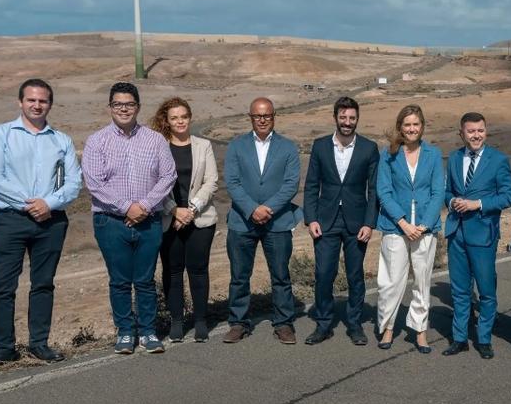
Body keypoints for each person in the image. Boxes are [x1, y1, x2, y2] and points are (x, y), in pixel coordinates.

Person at [0, 79, 82, 370]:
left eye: (43, 101)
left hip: (51, 221)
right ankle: (3, 349)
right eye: (31, 100)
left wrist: (48, 204)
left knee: (43, 284)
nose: (37, 105)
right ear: (20, 102)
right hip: (10, 221)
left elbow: (74, 182)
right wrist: (31, 202)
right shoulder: (0, 134)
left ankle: (39, 343)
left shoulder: (61, 140)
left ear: (50, 104)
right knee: (1, 286)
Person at [82, 82, 176, 355]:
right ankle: (125, 332)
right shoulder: (97, 141)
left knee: (145, 280)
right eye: (118, 104)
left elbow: (167, 176)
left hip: (149, 220)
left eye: (129, 104)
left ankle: (148, 331)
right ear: (110, 107)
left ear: (138, 106)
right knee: (120, 280)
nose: (124, 108)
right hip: (111, 222)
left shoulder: (155, 140)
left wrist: (144, 205)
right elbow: (94, 182)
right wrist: (127, 207)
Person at [222, 98, 302, 345]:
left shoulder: (288, 148)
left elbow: (291, 184)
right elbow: (232, 182)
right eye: (258, 116)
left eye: (267, 115)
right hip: (242, 222)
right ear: (251, 117)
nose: (263, 119)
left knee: (280, 275)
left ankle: (283, 323)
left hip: (277, 222)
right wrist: (251, 209)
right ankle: (238, 322)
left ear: (274, 116)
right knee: (239, 275)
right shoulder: (236, 146)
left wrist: (268, 208)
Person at [302, 96, 379, 346]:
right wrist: (311, 218)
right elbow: (312, 185)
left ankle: (355, 325)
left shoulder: (369, 148)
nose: (347, 122)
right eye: (343, 117)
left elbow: (374, 190)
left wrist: (369, 223)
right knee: (324, 273)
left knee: (355, 275)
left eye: (352, 118)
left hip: (357, 223)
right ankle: (324, 324)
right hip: (326, 221)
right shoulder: (320, 146)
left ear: (357, 119)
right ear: (335, 117)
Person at [442, 112, 511, 359]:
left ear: (486, 131)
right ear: (461, 133)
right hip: (456, 233)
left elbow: (507, 196)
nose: (476, 135)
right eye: (471, 131)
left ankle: (483, 339)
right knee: (459, 290)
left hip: (483, 233)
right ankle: (459, 338)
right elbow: (447, 191)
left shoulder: (498, 160)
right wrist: (452, 201)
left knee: (485, 290)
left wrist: (478, 204)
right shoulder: (453, 158)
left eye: (480, 130)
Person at [375, 105, 444, 352]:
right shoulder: (388, 155)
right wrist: (403, 223)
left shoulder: (433, 154)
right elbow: (383, 190)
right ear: (400, 127)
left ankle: (420, 331)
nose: (412, 129)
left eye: (416, 124)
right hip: (395, 227)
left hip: (425, 228)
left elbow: (438, 192)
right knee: (391, 282)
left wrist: (423, 224)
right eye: (407, 125)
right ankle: (388, 327)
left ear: (422, 126)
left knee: (422, 282)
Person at [151, 97, 218, 343]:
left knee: (198, 270)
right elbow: (154, 183)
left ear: (190, 118)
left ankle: (200, 320)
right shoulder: (158, 147)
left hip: (199, 219)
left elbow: (211, 181)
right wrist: (174, 210)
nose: (180, 121)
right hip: (168, 219)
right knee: (172, 271)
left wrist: (189, 210)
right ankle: (176, 322)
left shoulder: (204, 145)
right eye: (174, 118)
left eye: (184, 116)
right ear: (166, 121)